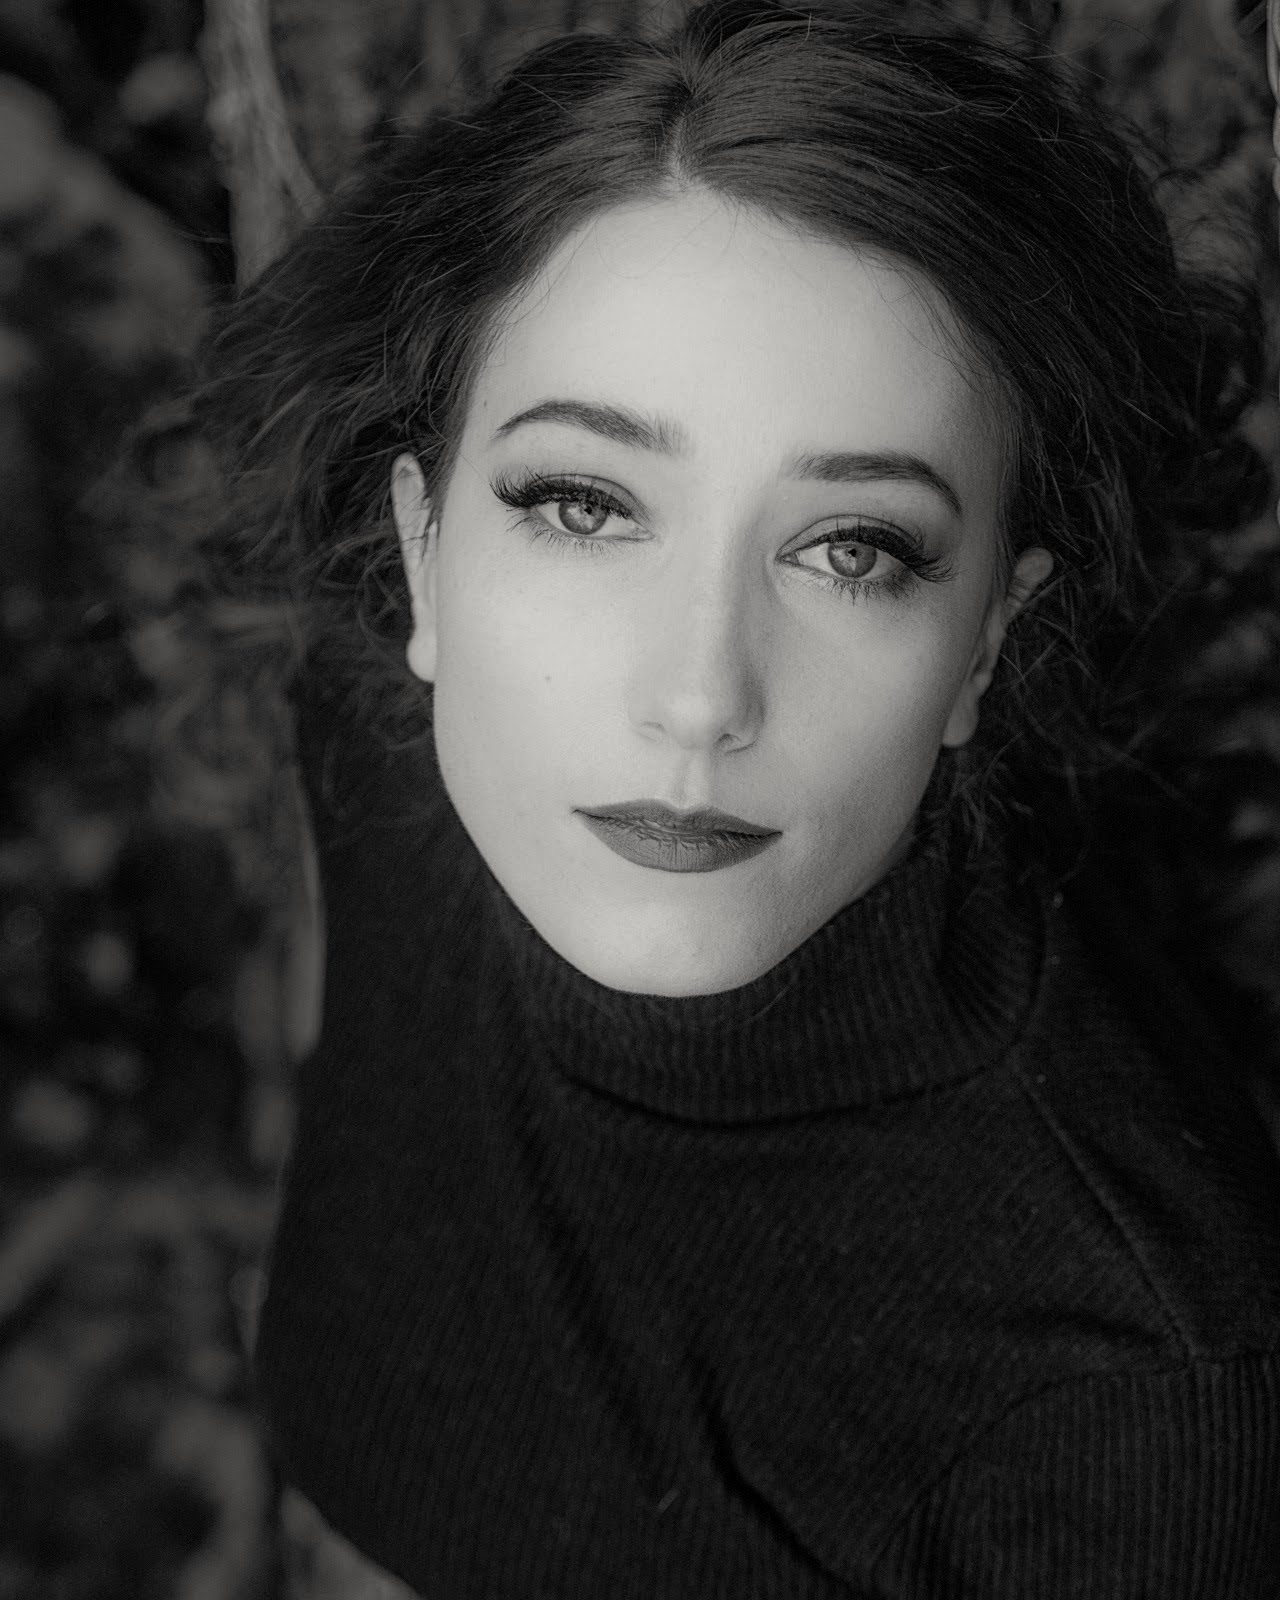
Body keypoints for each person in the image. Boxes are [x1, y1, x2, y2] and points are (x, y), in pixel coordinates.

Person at [194, 2, 1280, 1593]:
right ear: (423, 555)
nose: (701, 698)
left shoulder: (1131, 1391)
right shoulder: (381, 757)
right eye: (585, 504)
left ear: (986, 638)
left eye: (853, 549)